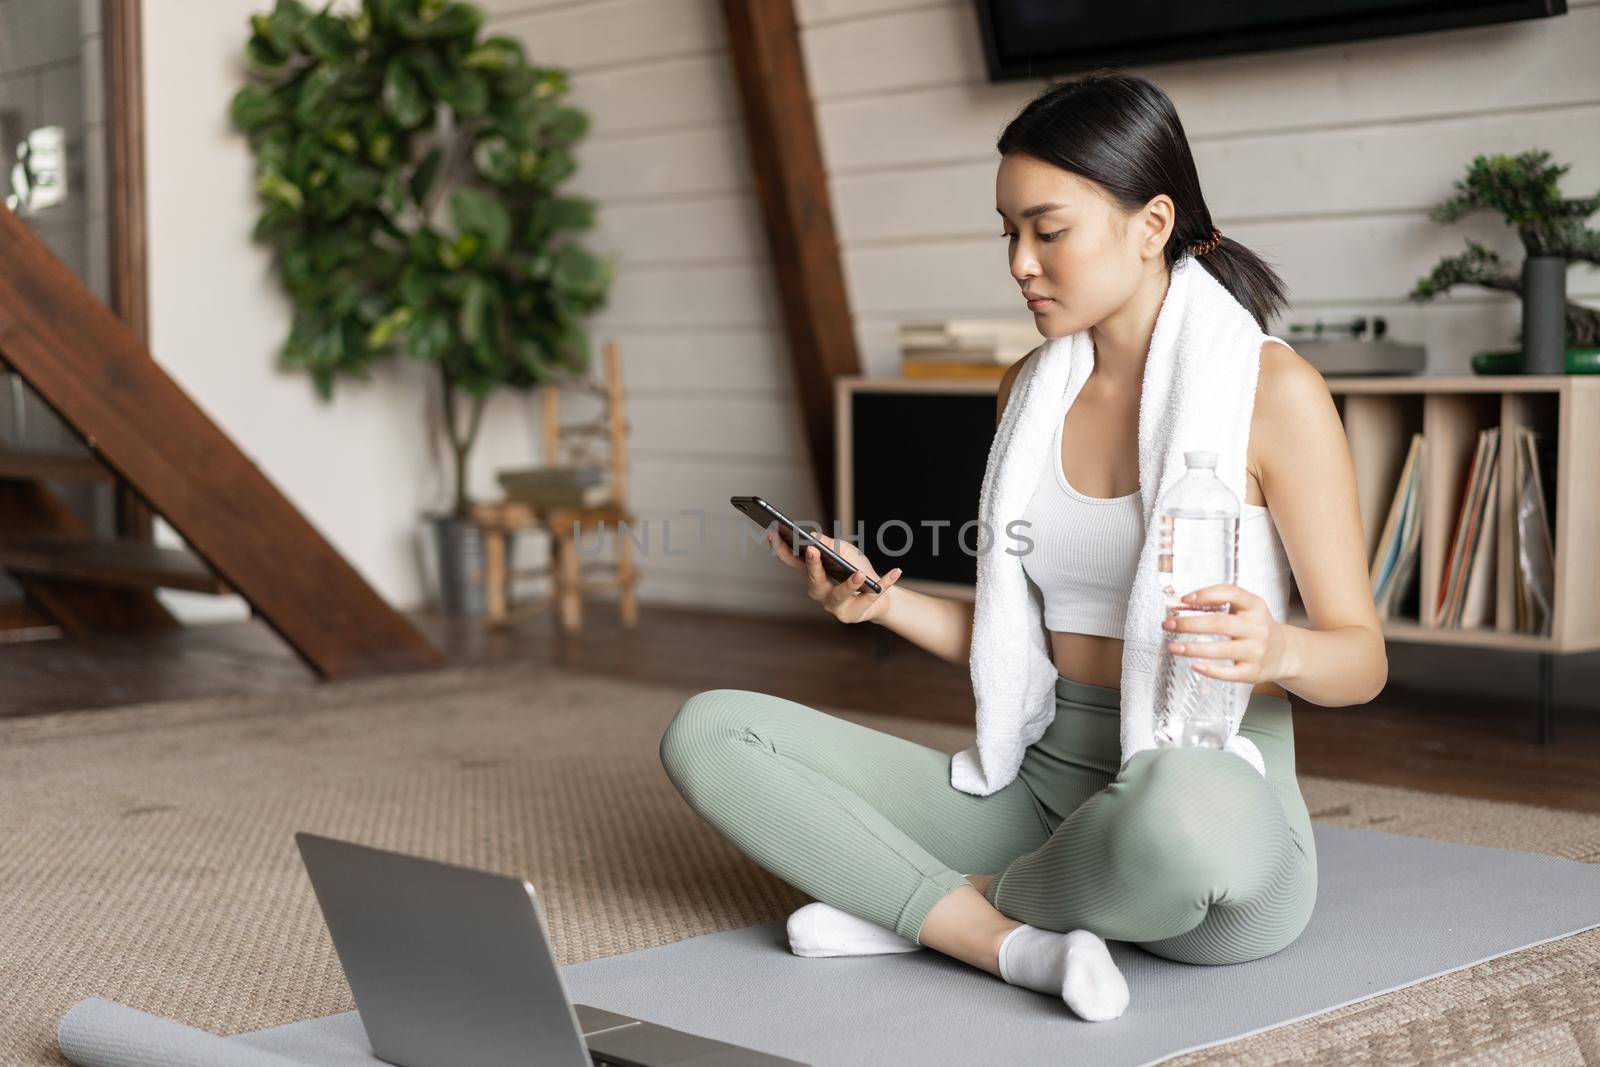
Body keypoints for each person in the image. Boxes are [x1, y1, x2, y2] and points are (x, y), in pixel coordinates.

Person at [658, 70, 1386, 1023]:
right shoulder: (1028, 393)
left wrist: (1280, 649)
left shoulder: (1272, 391)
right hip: (1039, 785)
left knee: (1176, 819)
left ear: (1152, 223)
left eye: (1049, 231)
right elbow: (1017, 637)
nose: (1019, 262)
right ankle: (1001, 938)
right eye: (1008, 231)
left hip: (1206, 789)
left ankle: (935, 901)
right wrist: (880, 600)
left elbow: (1362, 659)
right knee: (711, 731)